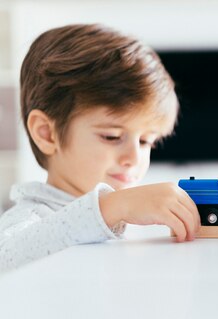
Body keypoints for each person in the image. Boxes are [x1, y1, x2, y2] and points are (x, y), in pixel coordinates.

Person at [0, 24, 200, 273]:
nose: (133, 157)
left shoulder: (129, 220)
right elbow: (6, 258)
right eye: (112, 136)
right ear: (47, 133)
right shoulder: (32, 217)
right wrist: (112, 206)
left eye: (146, 141)